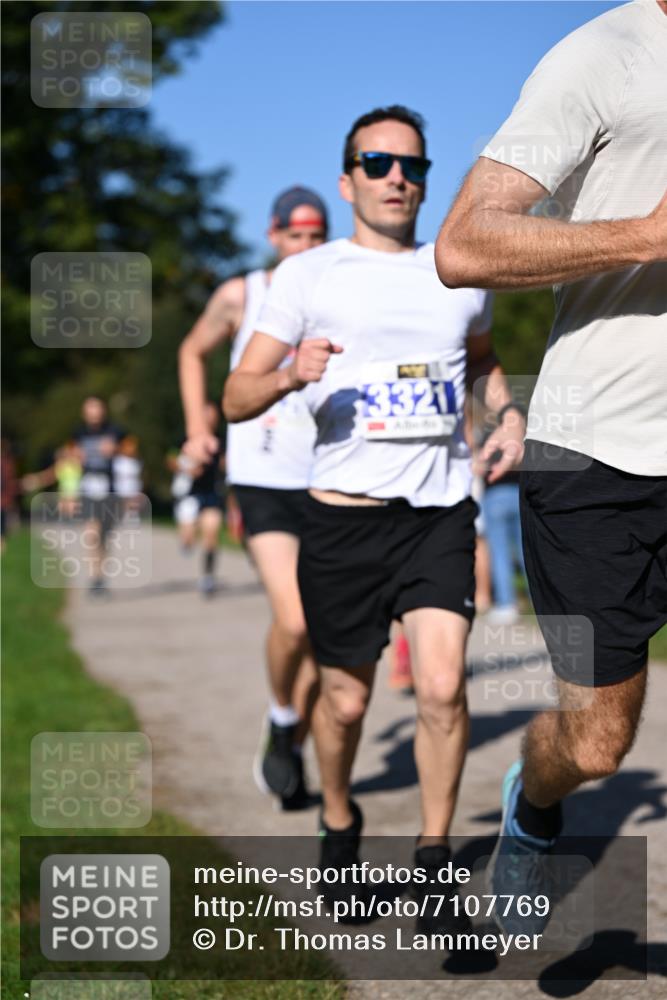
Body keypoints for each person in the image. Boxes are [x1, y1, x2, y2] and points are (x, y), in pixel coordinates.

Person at [223, 105, 523, 926]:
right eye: (378, 163)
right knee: (346, 704)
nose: (397, 177)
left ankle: (433, 864)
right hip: (341, 521)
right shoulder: (307, 276)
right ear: (347, 180)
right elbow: (235, 395)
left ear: (425, 180)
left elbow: (483, 361)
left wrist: (505, 414)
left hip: (436, 514)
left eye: (412, 166)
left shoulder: (457, 271)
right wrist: (289, 374)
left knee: (441, 689)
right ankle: (338, 820)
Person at [436, 0, 666, 932]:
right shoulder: (604, 54)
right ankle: (533, 807)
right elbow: (464, 243)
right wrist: (647, 236)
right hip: (597, 455)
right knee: (596, 742)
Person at [179, 187, 328, 808]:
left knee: (326, 635)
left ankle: (290, 743)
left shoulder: (339, 292)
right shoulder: (242, 294)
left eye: (316, 236)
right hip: (262, 478)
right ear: (273, 236)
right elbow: (192, 351)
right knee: (295, 620)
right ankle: (282, 716)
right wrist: (198, 426)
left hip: (329, 478)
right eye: (295, 236)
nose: (306, 247)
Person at [167, 402, 226, 596]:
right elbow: (171, 459)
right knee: (188, 538)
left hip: (212, 494)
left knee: (211, 534)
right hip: (190, 494)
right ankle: (186, 541)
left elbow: (227, 462)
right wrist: (186, 468)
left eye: (213, 416)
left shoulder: (221, 440)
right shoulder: (186, 438)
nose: (210, 419)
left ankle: (208, 577)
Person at [71, 397, 126, 595]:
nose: (94, 413)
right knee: (92, 533)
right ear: (84, 412)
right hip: (88, 487)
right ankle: (95, 577)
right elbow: (70, 455)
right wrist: (76, 456)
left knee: (104, 536)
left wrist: (115, 449)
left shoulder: (115, 431)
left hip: (110, 488)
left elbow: (132, 451)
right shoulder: (78, 433)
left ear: (103, 411)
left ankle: (101, 576)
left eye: (97, 408)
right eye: (90, 409)